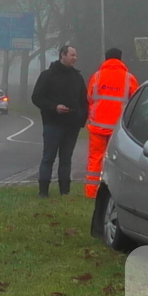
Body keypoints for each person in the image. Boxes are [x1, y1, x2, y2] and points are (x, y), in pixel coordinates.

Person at [31, 45, 89, 197]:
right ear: (62, 55)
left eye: (75, 55)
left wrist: (81, 119)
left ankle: (65, 191)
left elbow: (84, 100)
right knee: (48, 158)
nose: (74, 58)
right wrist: (54, 107)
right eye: (71, 55)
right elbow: (36, 97)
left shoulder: (77, 77)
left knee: (66, 159)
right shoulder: (48, 75)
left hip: (72, 125)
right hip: (53, 124)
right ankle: (43, 191)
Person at [85, 48, 139, 199]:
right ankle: (118, 194)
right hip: (119, 129)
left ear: (106, 58)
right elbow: (135, 101)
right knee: (118, 161)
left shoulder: (97, 76)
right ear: (120, 59)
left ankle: (92, 193)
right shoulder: (129, 78)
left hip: (97, 126)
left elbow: (89, 97)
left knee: (96, 159)